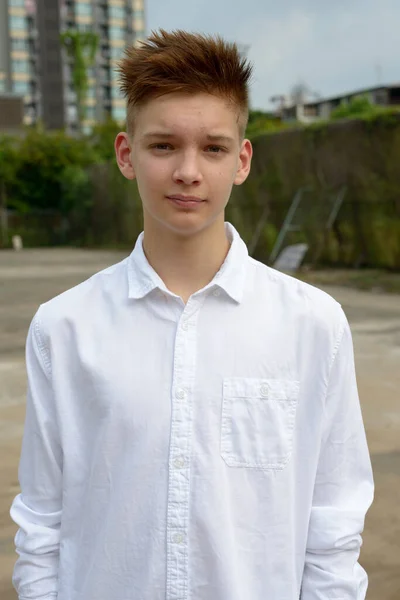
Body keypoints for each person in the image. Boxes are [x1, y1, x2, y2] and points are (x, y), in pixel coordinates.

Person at [10, 29, 374, 600]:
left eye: (212, 147)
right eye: (162, 146)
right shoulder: (64, 327)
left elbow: (332, 525)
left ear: (242, 160)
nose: (187, 171)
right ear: (126, 154)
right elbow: (41, 522)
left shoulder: (313, 326)